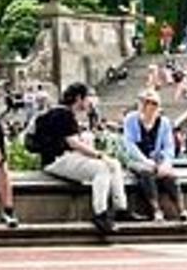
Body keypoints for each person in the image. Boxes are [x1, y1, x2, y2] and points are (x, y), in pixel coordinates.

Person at [31, 83, 125, 237]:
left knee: (114, 164)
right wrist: (99, 155)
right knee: (102, 169)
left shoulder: (64, 113)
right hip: (56, 160)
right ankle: (100, 213)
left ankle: (121, 207)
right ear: (79, 98)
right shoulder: (63, 114)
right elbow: (73, 143)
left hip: (63, 158)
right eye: (88, 98)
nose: (90, 102)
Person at [120, 90, 187, 221]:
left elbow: (169, 146)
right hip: (136, 160)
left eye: (154, 103)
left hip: (157, 160)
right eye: (147, 103)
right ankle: (156, 209)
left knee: (170, 177)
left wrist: (166, 163)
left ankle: (181, 209)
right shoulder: (131, 119)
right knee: (146, 172)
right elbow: (129, 145)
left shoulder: (164, 122)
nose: (150, 107)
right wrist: (145, 160)